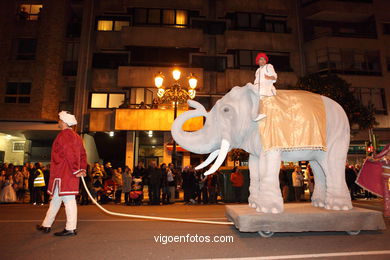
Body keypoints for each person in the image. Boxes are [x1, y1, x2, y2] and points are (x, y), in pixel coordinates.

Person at [36, 111, 87, 236]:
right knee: (55, 200)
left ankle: (70, 228)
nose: (58, 122)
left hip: (65, 173)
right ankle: (46, 225)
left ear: (64, 122)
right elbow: (82, 154)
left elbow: (72, 154)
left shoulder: (65, 135)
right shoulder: (76, 136)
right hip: (65, 173)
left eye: (60, 120)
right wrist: (82, 169)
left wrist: (76, 169)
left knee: (69, 200)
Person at [250, 52, 278, 121]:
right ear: (258, 61)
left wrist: (270, 77)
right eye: (261, 59)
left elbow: (275, 76)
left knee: (258, 95)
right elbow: (256, 81)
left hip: (266, 88)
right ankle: (253, 114)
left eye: (264, 59)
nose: (262, 61)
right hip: (258, 88)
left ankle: (257, 114)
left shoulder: (268, 66)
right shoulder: (257, 70)